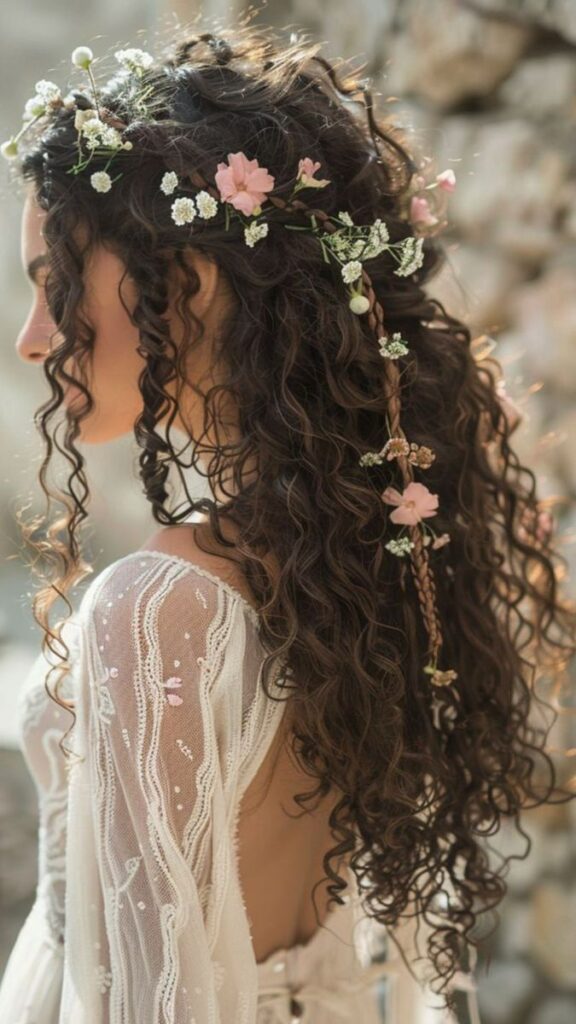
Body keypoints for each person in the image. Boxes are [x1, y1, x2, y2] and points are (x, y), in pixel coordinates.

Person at [0, 20, 574, 1024]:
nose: (30, 337)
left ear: (189, 283)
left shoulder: (157, 608)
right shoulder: (365, 544)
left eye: (53, 286)